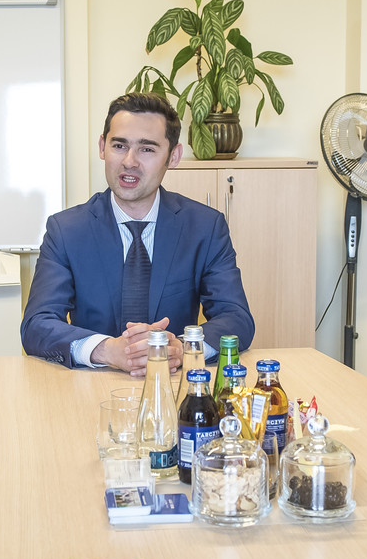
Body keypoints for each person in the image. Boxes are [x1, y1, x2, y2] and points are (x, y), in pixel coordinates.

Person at [20, 92, 255, 375]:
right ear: (102, 147)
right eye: (119, 145)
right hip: (92, 383)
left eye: (147, 149)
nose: (129, 161)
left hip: (172, 383)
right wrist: (106, 349)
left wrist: (182, 348)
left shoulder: (204, 227)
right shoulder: (66, 230)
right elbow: (37, 324)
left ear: (174, 156)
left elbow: (236, 318)